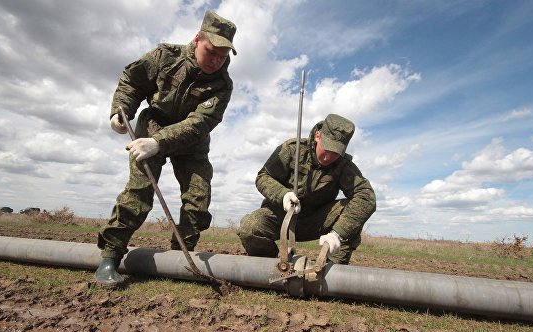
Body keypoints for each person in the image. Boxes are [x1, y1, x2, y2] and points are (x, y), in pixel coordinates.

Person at [95, 10, 237, 286]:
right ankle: (110, 256)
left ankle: (179, 260)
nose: (217, 61)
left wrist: (159, 143)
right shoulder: (164, 57)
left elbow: (200, 123)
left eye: (223, 56)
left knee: (198, 200)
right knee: (139, 193)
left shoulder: (222, 85)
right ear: (198, 39)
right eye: (212, 52)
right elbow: (132, 81)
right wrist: (119, 111)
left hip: (191, 141)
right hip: (152, 126)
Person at [237, 114, 376, 265]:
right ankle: (271, 267)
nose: (328, 157)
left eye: (335, 152)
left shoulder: (343, 165)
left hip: (315, 221)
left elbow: (366, 196)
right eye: (327, 148)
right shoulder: (292, 150)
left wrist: (338, 234)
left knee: (353, 213)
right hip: (282, 217)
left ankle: (331, 275)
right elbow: (263, 176)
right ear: (318, 136)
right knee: (249, 228)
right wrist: (283, 195)